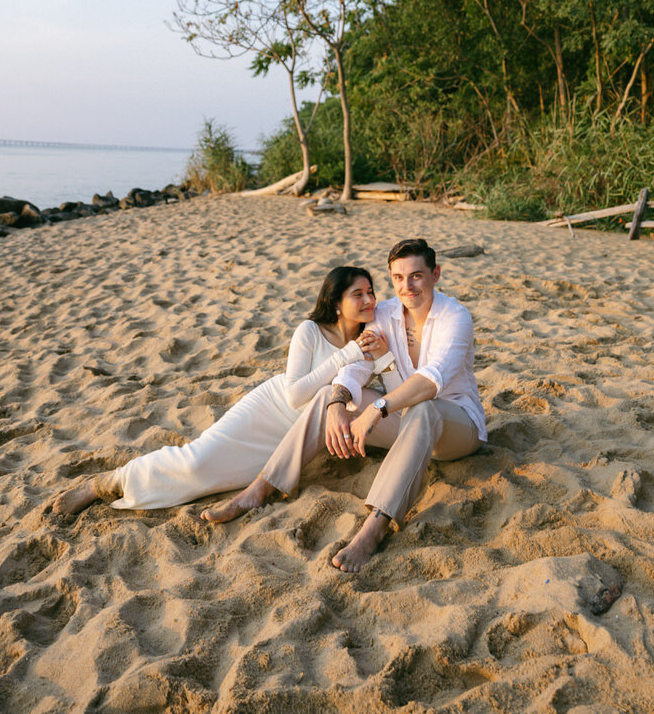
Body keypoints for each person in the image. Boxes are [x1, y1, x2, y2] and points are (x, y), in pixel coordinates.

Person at [202, 237, 487, 573]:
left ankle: (374, 527)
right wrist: (338, 403)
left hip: (456, 428)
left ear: (435, 274)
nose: (407, 287)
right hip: (405, 423)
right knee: (326, 395)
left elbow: (430, 382)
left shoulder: (455, 317)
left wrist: (376, 408)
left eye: (416, 276)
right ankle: (261, 487)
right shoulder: (384, 313)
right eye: (398, 278)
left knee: (425, 408)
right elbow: (357, 365)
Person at [52, 266, 388, 517]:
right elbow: (295, 395)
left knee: (227, 480)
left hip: (302, 434)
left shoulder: (372, 336)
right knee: (197, 462)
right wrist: (349, 353)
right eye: (358, 294)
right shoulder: (311, 331)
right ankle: (106, 484)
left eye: (371, 292)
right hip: (270, 411)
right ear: (335, 302)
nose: (369, 300)